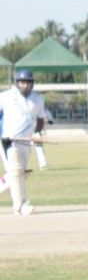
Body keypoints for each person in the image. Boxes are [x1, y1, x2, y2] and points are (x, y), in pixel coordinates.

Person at [0, 69, 47, 215]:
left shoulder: (38, 100)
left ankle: (20, 203)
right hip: (8, 139)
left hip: (26, 141)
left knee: (20, 174)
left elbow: (40, 119)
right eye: (22, 82)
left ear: (32, 84)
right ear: (17, 83)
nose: (25, 85)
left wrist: (37, 133)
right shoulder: (6, 97)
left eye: (28, 83)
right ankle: (21, 205)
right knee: (15, 171)